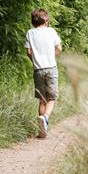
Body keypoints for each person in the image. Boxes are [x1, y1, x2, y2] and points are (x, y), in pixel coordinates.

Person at [24, 8, 61, 138]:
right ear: (45, 20)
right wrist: (51, 57)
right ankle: (45, 118)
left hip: (38, 70)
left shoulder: (30, 33)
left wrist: (35, 60)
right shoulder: (51, 31)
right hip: (51, 67)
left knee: (42, 99)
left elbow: (28, 52)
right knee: (52, 98)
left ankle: (41, 130)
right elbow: (59, 48)